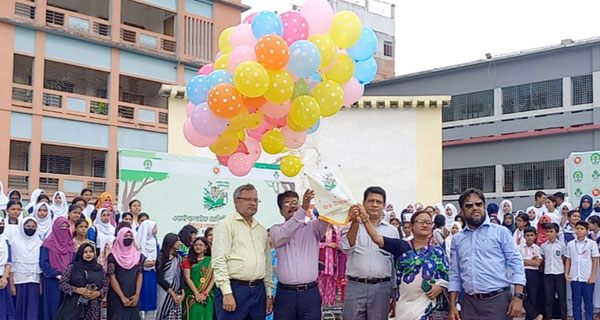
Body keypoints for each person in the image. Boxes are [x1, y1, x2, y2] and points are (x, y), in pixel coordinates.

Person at [448, 188, 526, 320]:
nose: (475, 208)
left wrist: (518, 298)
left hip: (498, 301)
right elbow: (454, 273)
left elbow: (516, 264)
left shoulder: (501, 232)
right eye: (469, 205)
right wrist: (453, 306)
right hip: (469, 303)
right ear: (462, 210)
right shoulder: (457, 238)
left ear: (484, 206)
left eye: (478, 204)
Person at [360, 208, 448, 319]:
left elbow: (448, 277)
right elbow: (377, 238)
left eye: (428, 222)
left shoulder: (438, 251)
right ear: (411, 226)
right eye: (420, 222)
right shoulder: (401, 246)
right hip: (405, 306)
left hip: (431, 306)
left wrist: (440, 287)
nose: (425, 225)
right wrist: (365, 219)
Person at [212, 184, 274, 320]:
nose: (252, 203)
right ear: (236, 201)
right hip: (235, 289)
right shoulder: (225, 225)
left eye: (255, 200)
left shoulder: (261, 230)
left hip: (258, 291)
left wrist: (268, 293)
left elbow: (267, 265)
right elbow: (219, 261)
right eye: (248, 199)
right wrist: (226, 293)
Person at [340, 186, 400, 320]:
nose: (374, 205)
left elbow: (394, 263)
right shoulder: (350, 226)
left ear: (384, 205)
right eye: (371, 201)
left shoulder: (392, 230)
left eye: (378, 202)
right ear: (363, 203)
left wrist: (395, 291)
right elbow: (346, 248)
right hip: (355, 286)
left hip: (381, 288)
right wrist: (355, 222)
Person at [268, 189, 327, 318]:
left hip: (309, 293)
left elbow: (326, 218)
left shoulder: (313, 227)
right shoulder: (276, 230)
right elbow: (285, 233)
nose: (293, 206)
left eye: (295, 202)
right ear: (280, 211)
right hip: (285, 294)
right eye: (287, 204)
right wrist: (302, 211)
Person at [54, 243, 108, 320]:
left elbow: (105, 286)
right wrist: (77, 290)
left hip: (93, 308)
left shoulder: (99, 269)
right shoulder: (72, 267)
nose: (88, 254)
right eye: (85, 252)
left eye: (91, 251)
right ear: (80, 254)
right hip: (74, 305)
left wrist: (99, 293)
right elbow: (63, 283)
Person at [40, 217, 76, 320]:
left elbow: (74, 263)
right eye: (61, 226)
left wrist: (69, 275)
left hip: (68, 281)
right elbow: (43, 262)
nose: (64, 229)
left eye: (66, 226)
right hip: (52, 281)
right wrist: (56, 274)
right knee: (52, 308)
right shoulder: (47, 244)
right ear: (55, 227)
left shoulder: (71, 244)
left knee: (67, 309)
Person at [107, 227, 145, 320]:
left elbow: (139, 275)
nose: (128, 238)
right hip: (117, 297)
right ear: (120, 237)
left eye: (130, 236)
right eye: (125, 236)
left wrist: (137, 295)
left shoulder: (139, 256)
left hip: (133, 296)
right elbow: (112, 277)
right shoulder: (113, 256)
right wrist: (122, 297)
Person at [9, 217, 42, 320]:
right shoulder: (15, 242)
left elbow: (40, 267)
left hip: (34, 281)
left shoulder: (40, 243)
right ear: (22, 227)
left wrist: (40, 284)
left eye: (33, 227)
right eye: (28, 226)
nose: (30, 229)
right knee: (19, 308)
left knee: (33, 309)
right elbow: (11, 264)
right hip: (19, 281)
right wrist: (11, 285)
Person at [566, 221, 599, 320]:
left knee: (588, 302)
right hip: (575, 277)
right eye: (577, 229)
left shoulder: (592, 244)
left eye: (582, 229)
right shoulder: (571, 244)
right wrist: (566, 273)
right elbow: (568, 259)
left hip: (587, 277)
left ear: (586, 231)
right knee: (576, 302)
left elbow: (595, 260)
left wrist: (593, 276)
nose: (579, 231)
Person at [540, 222, 567, 320]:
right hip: (548, 274)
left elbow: (564, 258)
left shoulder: (561, 245)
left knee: (561, 298)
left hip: (559, 273)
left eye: (551, 231)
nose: (549, 233)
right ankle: (548, 317)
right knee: (548, 298)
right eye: (547, 231)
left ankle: (563, 317)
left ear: (556, 233)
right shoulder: (543, 246)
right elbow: (543, 259)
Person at [183, 237, 214, 320]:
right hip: (192, 295)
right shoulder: (188, 260)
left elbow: (213, 279)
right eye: (196, 245)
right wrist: (196, 293)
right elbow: (187, 278)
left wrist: (205, 293)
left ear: (206, 247)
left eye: (201, 245)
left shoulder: (211, 261)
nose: (198, 247)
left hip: (206, 296)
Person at [156, 233, 185, 319]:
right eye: (178, 241)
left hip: (177, 294)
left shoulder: (178, 258)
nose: (180, 243)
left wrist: (182, 292)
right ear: (171, 242)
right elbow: (160, 278)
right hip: (165, 293)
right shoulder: (161, 258)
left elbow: (180, 276)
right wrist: (172, 294)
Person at [136, 220, 159, 319]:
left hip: (152, 274)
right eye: (154, 228)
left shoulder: (155, 242)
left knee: (151, 299)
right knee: (141, 298)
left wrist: (155, 262)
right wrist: (142, 263)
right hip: (141, 274)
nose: (156, 230)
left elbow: (159, 257)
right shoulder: (138, 242)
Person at [520, 226, 543, 320]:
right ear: (524, 236)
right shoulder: (519, 248)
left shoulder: (537, 248)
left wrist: (525, 261)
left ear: (535, 236)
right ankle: (535, 315)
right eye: (527, 235)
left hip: (533, 273)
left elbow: (538, 263)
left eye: (531, 235)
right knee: (521, 295)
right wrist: (531, 261)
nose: (529, 237)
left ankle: (530, 318)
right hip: (522, 272)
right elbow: (518, 262)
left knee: (533, 295)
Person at [318, 224, 340, 307]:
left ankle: (329, 303)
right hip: (320, 261)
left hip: (332, 261)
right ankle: (320, 303)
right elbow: (313, 244)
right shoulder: (318, 229)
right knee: (320, 282)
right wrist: (327, 244)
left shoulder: (336, 229)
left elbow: (339, 244)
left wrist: (333, 245)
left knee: (331, 281)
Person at [0, 217, 15, 320]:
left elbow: (8, 261)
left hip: (2, 279)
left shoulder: (5, 241)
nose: (1, 226)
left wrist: (5, 277)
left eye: (2, 224)